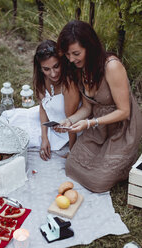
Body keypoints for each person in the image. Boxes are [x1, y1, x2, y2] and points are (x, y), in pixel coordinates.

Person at [56, 20, 142, 192]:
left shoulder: (112, 66)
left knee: (98, 182)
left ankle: (126, 162)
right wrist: (69, 120)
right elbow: (88, 108)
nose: (71, 59)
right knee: (71, 166)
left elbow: (124, 112)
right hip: (100, 128)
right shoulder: (81, 68)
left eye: (76, 53)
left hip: (121, 129)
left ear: (89, 47)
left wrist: (90, 123)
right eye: (67, 54)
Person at [7, 40, 80, 161]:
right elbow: (43, 107)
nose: (53, 73)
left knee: (24, 140)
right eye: (46, 69)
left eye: (56, 66)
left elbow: (71, 124)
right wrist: (44, 138)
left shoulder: (68, 84)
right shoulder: (43, 79)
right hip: (51, 122)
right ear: (40, 69)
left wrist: (72, 152)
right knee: (14, 130)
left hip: (68, 130)